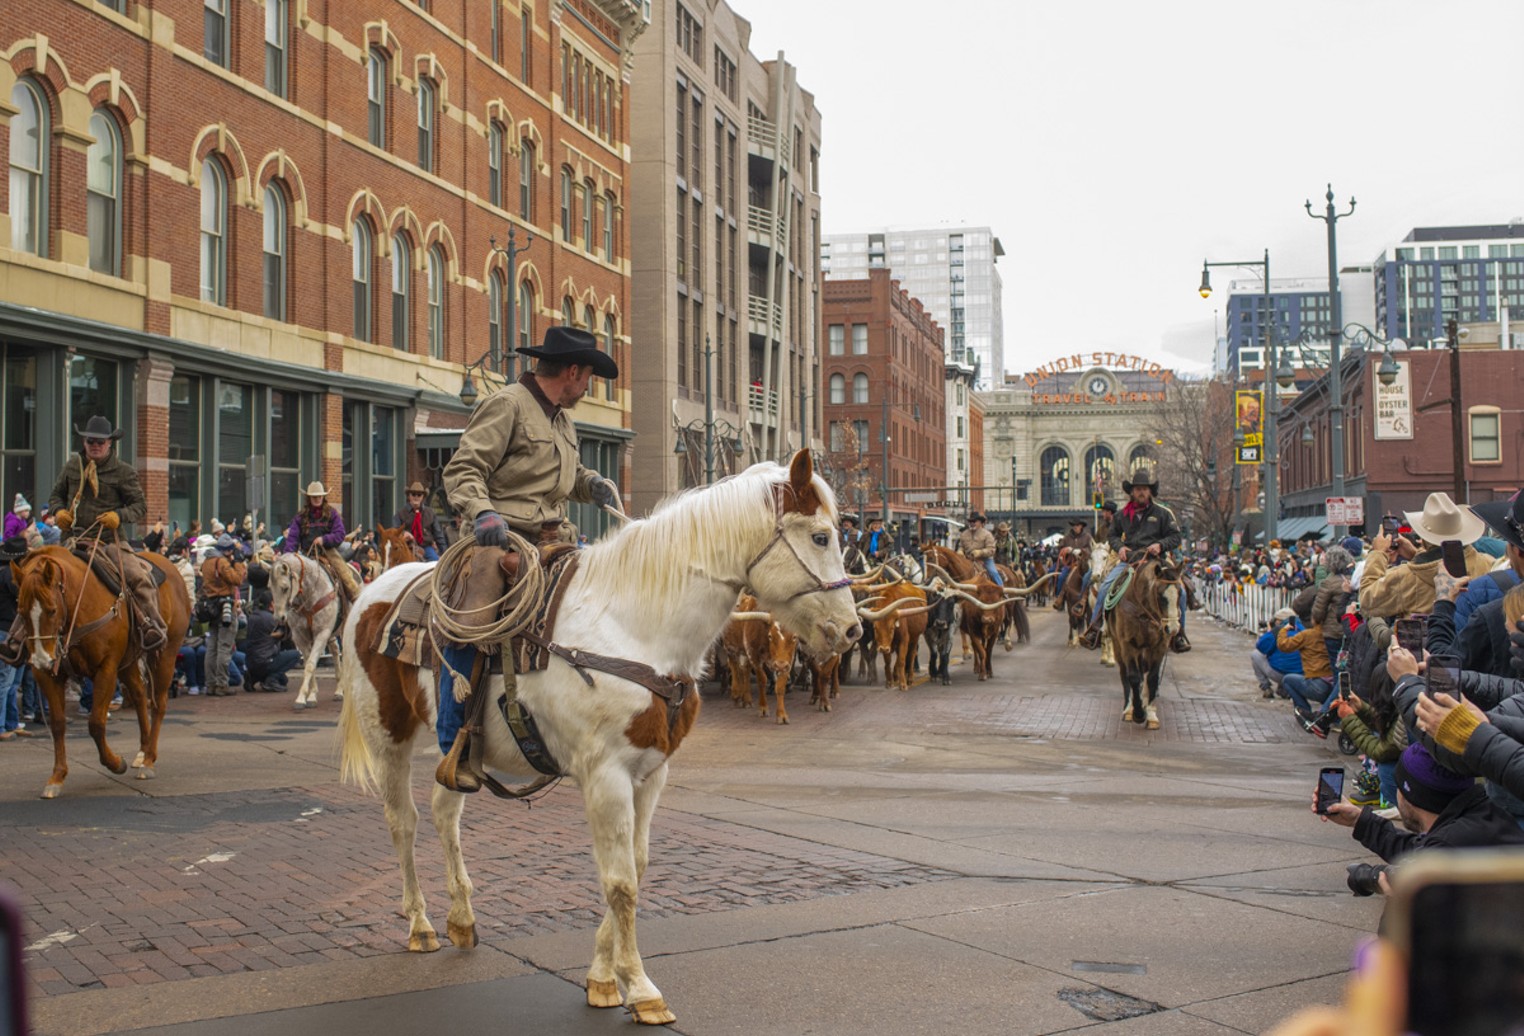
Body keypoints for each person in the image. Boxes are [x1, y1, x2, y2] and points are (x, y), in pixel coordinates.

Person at [435, 325, 620, 793]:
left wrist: (590, 484)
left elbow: (563, 474)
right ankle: (454, 743)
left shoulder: (561, 418)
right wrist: (483, 513)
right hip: (501, 540)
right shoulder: (507, 405)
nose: (589, 387)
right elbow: (463, 468)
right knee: (474, 618)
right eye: (589, 378)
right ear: (572, 372)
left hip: (554, 538)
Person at [44, 415, 168, 653]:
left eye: (101, 441)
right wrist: (58, 511)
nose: (96, 445)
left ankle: (152, 626)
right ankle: (19, 638)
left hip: (109, 541)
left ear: (110, 443)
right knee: (39, 578)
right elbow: (55, 495)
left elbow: (140, 507)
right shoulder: (72, 467)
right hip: (72, 540)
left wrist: (118, 516)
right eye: (91, 441)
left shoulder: (124, 472)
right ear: (84, 442)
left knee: (138, 578)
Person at [1318, 742, 1524, 869]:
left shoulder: (1444, 852)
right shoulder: (1484, 817)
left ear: (1411, 795)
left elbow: (1398, 939)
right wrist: (1359, 819)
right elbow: (1417, 849)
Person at [1081, 467, 1187, 652]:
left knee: (1182, 592)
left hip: (1158, 561)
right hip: (1129, 561)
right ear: (1132, 492)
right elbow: (1113, 535)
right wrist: (1120, 547)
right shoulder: (1122, 515)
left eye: (1144, 489)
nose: (1141, 492)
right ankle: (1095, 628)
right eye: (1137, 489)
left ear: (1150, 492)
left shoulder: (1163, 513)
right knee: (1105, 588)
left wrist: (1160, 545)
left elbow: (1175, 536)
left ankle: (1179, 635)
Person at [1357, 491, 1493, 620]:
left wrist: (1378, 554)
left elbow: (1367, 602)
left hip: (1431, 642)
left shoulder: (1406, 577)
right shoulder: (1488, 563)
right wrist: (1416, 555)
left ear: (1425, 538)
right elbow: (1440, 561)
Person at [281, 480, 362, 601]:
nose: (317, 499)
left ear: (323, 497)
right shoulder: (300, 517)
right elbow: (292, 540)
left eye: (319, 496)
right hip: (306, 555)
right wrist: (287, 557)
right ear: (309, 498)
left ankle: (355, 600)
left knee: (346, 577)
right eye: (314, 497)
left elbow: (340, 534)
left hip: (329, 553)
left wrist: (324, 539)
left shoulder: (332, 514)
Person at [199, 534, 246, 697]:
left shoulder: (206, 562)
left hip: (211, 607)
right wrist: (238, 563)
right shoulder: (222, 562)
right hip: (225, 606)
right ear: (227, 550)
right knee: (224, 647)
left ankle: (210, 684)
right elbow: (238, 579)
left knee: (211, 647)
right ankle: (221, 684)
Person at [1276, 609, 1334, 734]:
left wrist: (1284, 629)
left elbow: (1284, 645)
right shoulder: (1334, 637)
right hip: (1333, 687)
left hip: (1317, 685)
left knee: (1287, 679)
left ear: (1314, 619)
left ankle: (1303, 711)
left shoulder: (1308, 635)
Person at [241, 591, 301, 693]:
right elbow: (286, 635)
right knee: (295, 655)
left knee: (283, 681)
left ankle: (253, 677)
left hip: (251, 661)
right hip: (265, 660)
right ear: (272, 604)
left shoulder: (253, 616)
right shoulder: (271, 619)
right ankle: (270, 680)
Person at [1253, 607, 1303, 699]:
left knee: (1255, 654)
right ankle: (1286, 689)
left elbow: (1260, 646)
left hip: (1279, 673)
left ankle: (1266, 687)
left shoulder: (1277, 631)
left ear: (1279, 621)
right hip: (1301, 674)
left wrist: (1269, 632)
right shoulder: (1303, 629)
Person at [391, 481, 446, 561]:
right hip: (407, 547)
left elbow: (438, 534)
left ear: (423, 497)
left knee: (435, 563)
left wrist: (444, 553)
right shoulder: (400, 513)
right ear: (409, 496)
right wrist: (404, 533)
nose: (416, 497)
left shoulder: (430, 513)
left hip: (426, 547)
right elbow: (395, 531)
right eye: (413, 494)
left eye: (419, 495)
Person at [956, 512, 1002, 586]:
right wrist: (960, 551)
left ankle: (1002, 590)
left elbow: (991, 549)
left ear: (980, 522)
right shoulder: (964, 534)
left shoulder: (987, 534)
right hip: (967, 559)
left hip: (985, 560)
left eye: (974, 521)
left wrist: (980, 552)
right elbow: (961, 546)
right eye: (970, 521)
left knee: (993, 572)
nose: (972, 523)